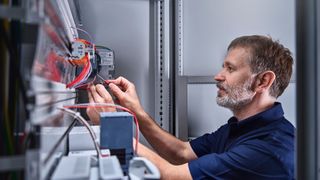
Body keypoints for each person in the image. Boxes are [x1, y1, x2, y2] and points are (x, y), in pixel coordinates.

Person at [87, 35, 294, 179]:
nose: (218, 76)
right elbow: (181, 153)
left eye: (230, 68)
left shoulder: (268, 148)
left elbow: (171, 175)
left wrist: (111, 126)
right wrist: (136, 111)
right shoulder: (241, 127)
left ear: (262, 81)